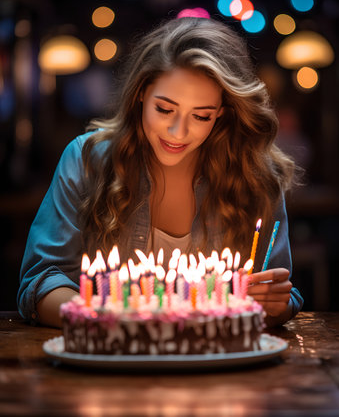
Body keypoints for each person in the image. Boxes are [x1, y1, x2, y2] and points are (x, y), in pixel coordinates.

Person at [18, 16, 303, 328]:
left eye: (201, 116)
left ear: (222, 112)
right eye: (165, 109)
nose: (178, 132)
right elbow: (42, 280)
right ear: (141, 93)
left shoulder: (254, 176)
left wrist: (275, 303)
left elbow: (280, 297)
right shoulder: (88, 161)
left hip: (216, 368)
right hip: (110, 363)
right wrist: (112, 323)